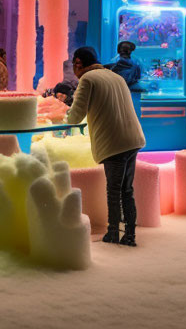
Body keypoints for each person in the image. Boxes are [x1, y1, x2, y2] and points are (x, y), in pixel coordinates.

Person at [67, 46, 146, 246]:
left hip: (114, 142)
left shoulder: (88, 79)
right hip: (133, 139)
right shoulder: (116, 77)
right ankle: (129, 234)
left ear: (78, 63)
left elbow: (75, 117)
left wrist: (64, 111)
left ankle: (112, 233)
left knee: (114, 190)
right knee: (126, 190)